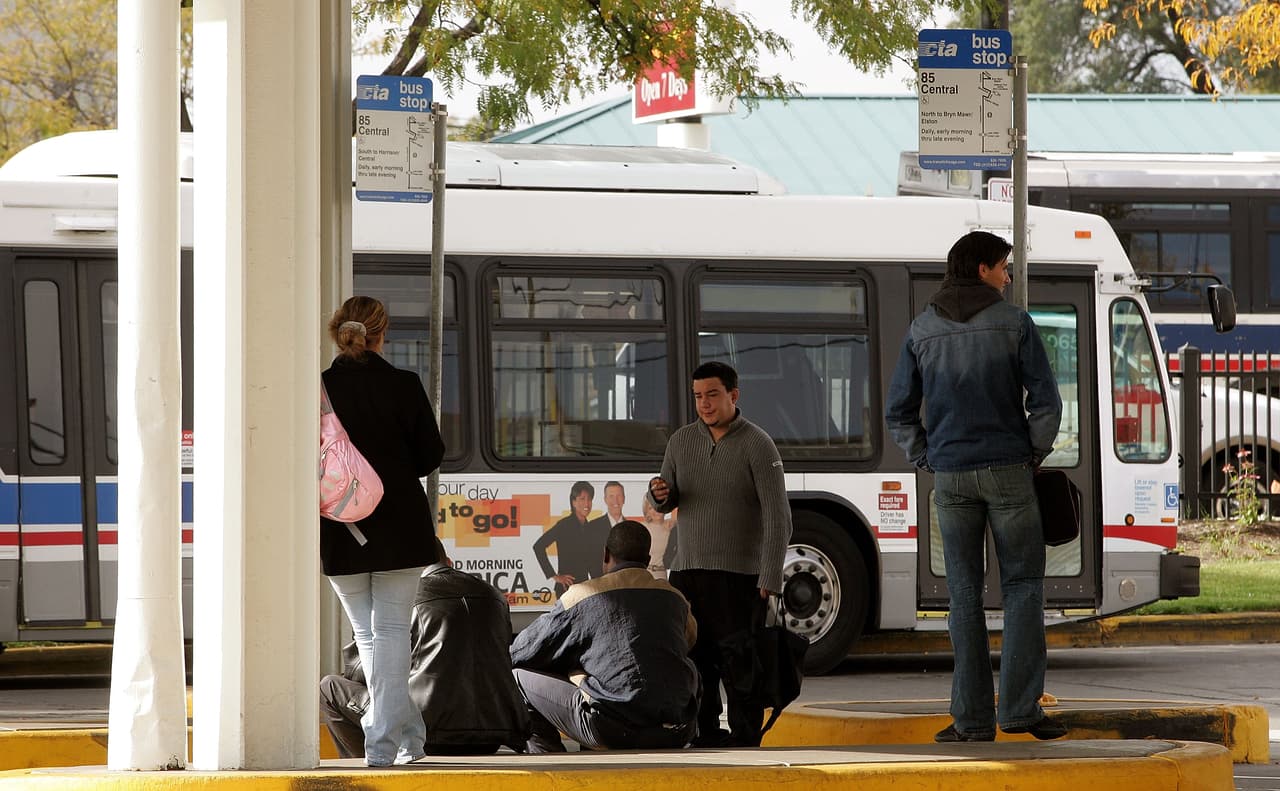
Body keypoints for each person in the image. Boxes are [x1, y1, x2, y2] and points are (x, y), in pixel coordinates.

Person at [884, 230, 1067, 744]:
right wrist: (1034, 451)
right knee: (1023, 588)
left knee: (963, 596)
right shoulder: (1013, 323)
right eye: (1004, 267)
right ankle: (1021, 711)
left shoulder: (923, 328)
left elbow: (898, 410)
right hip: (1008, 469)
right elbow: (1046, 401)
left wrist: (928, 457)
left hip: (952, 476)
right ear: (983, 268)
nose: (1009, 276)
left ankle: (970, 721)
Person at [321, 296, 445, 767]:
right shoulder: (404, 384)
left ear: (340, 331)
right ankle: (384, 744)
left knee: (368, 636)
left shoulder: (320, 389)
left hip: (340, 525)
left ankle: (408, 737)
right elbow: (429, 455)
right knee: (390, 633)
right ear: (381, 333)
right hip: (398, 523)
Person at [646, 360, 792, 748]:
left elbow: (780, 517)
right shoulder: (680, 442)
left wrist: (770, 577)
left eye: (712, 394)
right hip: (688, 573)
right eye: (698, 396)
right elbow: (663, 501)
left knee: (740, 665)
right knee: (696, 663)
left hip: (740, 576)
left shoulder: (758, 444)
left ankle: (746, 738)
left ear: (733, 395)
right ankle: (705, 734)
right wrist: (657, 494)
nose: (704, 404)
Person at [320, 541, 530, 758]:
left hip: (427, 733)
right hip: (493, 733)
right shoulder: (494, 596)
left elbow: (362, 669)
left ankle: (371, 766)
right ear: (448, 563)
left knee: (330, 687)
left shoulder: (401, 599)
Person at [509, 520, 699, 753]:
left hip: (611, 730)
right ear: (647, 561)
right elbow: (689, 641)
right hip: (676, 731)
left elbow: (523, 650)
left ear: (606, 554)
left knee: (518, 676)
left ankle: (551, 765)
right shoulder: (675, 598)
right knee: (687, 666)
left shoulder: (583, 595)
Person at [532, 481, 604, 596]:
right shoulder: (564, 525)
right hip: (566, 588)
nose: (587, 503)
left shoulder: (589, 528)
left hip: (586, 588)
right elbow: (538, 546)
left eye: (589, 499)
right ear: (573, 502)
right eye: (582, 499)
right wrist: (555, 576)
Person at [641, 499, 678, 579]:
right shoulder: (642, 528)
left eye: (658, 506)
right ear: (647, 512)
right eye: (651, 508)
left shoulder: (672, 528)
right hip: (645, 575)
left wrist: (674, 523)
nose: (656, 510)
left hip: (662, 575)